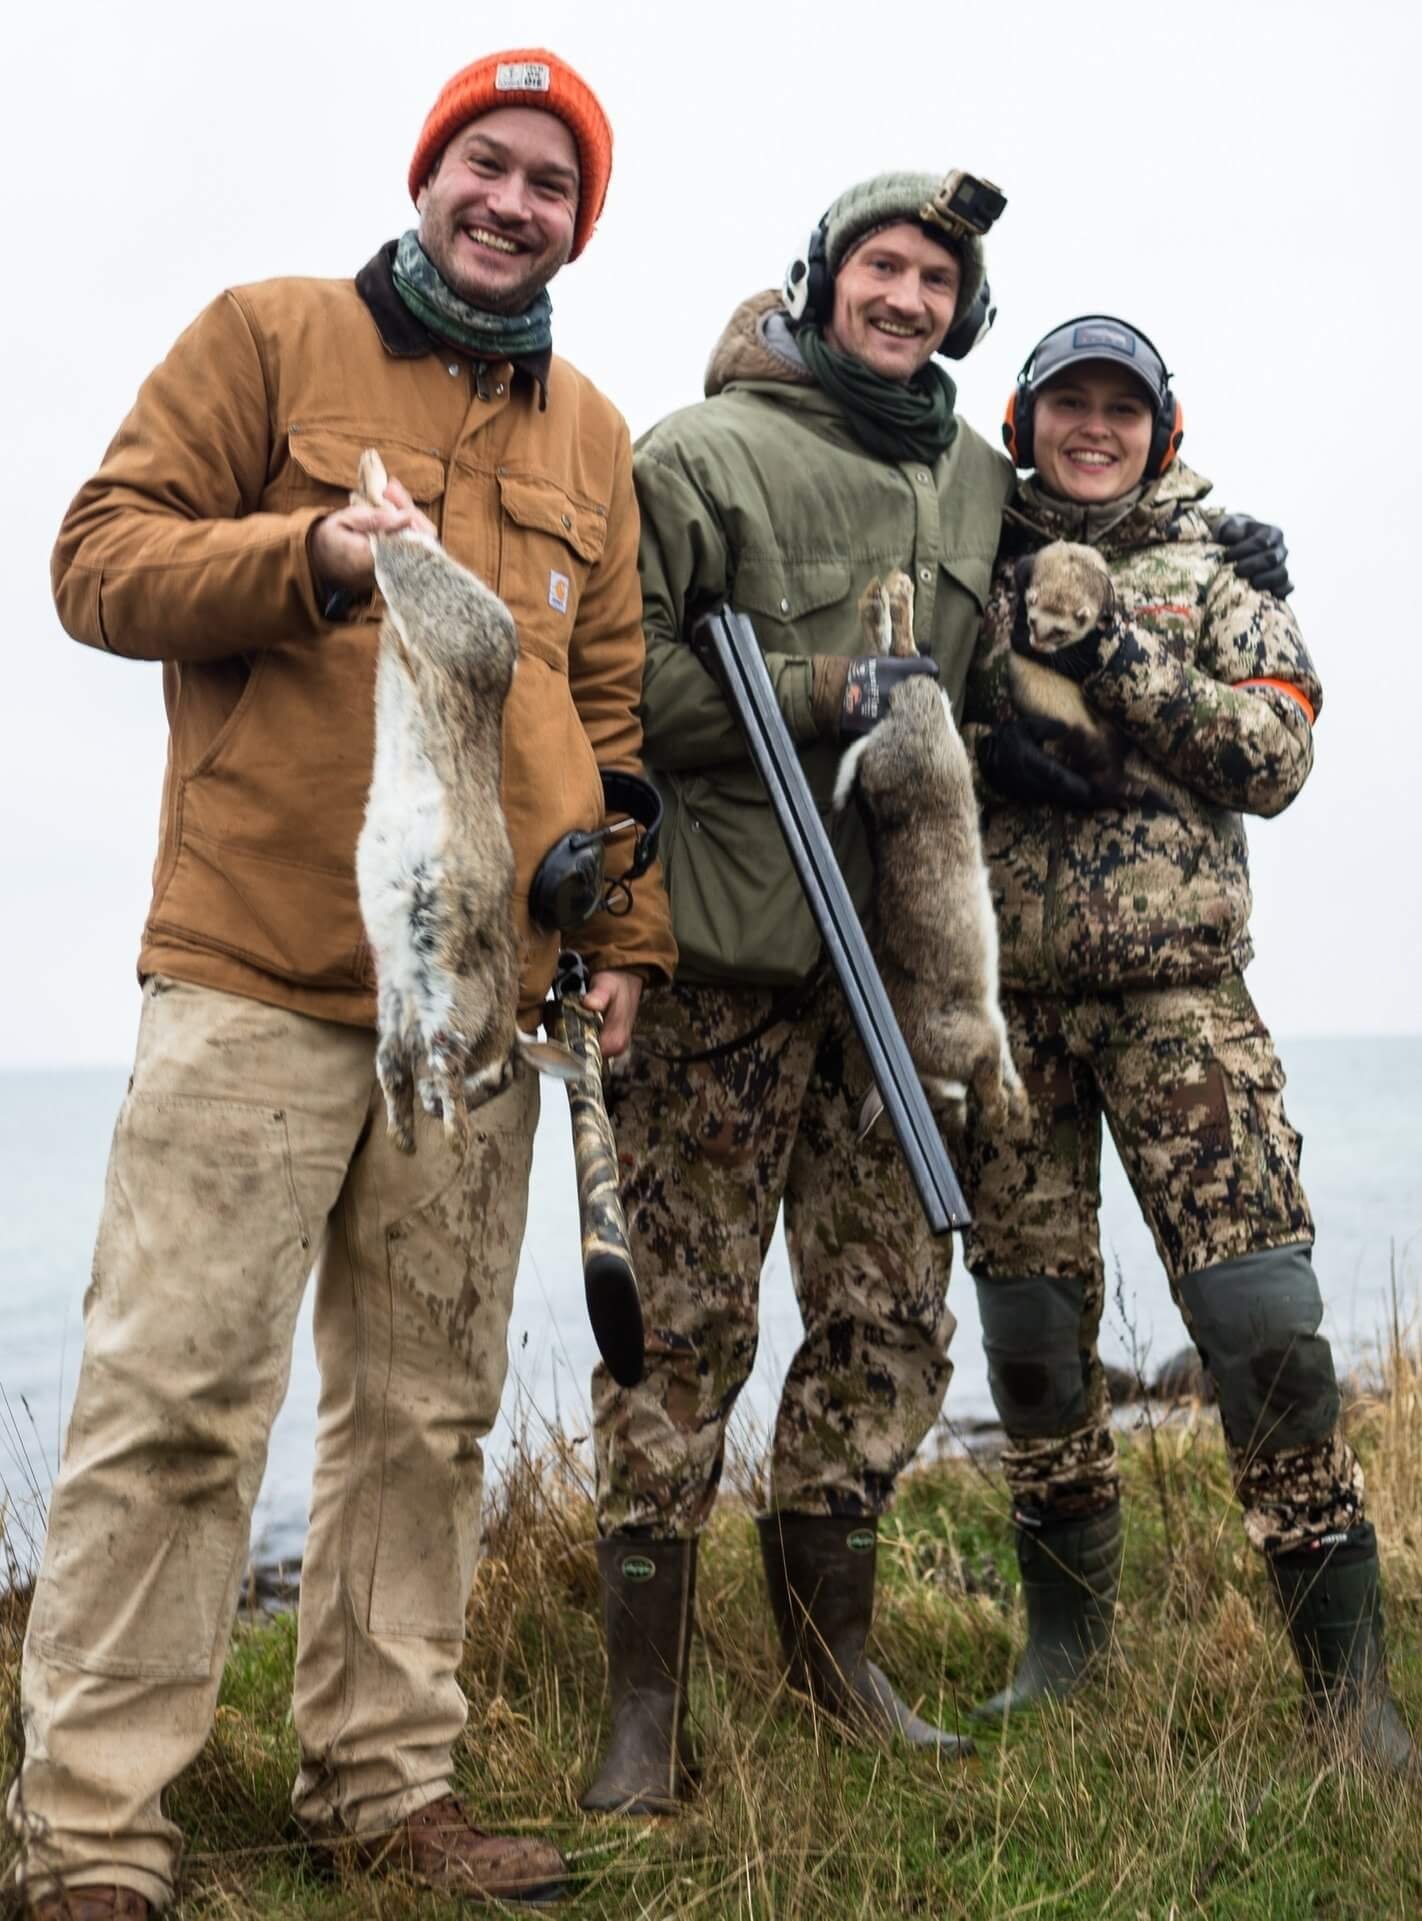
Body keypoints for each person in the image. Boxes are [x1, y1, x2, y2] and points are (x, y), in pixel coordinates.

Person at [8, 49, 675, 1918]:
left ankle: (383, 1786)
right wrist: (305, 551)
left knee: (424, 1411)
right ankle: (90, 1836)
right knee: (176, 1400)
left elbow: (606, 717)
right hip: (255, 968)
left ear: (578, 220)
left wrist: (620, 939)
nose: (514, 199)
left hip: (483, 1005)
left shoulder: (596, 437)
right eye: (489, 160)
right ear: (431, 167)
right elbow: (95, 559)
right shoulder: (268, 336)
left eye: (554, 181)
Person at [579, 170, 1018, 1814]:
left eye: (936, 281)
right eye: (881, 268)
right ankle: (641, 1717)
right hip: (726, 960)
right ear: (825, 281)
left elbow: (1067, 562)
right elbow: (601, 672)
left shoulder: (975, 480)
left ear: (963, 313)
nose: (906, 299)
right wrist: (820, 686)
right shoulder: (705, 456)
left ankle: (839, 1673)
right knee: (681, 1335)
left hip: (894, 988)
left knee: (890, 1317)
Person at [960, 313, 1416, 1769]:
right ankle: (1062, 1654)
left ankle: (1350, 1700)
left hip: (1183, 1013)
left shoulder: (1225, 572)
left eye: (1121, 406)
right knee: (1032, 1343)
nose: (1092, 427)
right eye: (1066, 404)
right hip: (1005, 1018)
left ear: (1162, 422)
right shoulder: (967, 556)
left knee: (1264, 1330)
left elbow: (1271, 755)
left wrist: (1112, 655)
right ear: (1022, 416)